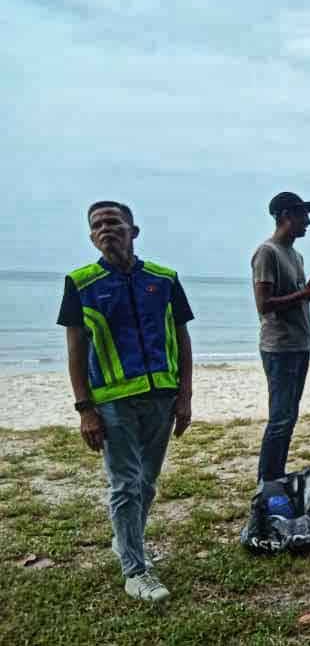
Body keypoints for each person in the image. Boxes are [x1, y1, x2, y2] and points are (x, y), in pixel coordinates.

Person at [58, 201, 194, 603]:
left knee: (146, 484)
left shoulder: (164, 279)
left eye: (113, 222)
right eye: (97, 225)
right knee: (125, 485)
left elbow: (182, 338)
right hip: (113, 404)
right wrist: (85, 409)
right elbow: (76, 350)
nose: (105, 229)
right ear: (91, 237)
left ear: (133, 231)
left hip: (161, 399)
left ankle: (127, 542)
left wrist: (184, 394)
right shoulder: (80, 283)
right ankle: (135, 570)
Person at [251, 192, 310, 482]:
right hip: (279, 347)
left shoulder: (296, 256)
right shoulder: (267, 252)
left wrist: (307, 291)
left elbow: (293, 298)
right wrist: (305, 293)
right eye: (302, 215)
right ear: (286, 216)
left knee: (288, 417)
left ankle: (276, 475)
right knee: (280, 418)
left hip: (299, 344)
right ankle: (268, 481)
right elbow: (264, 304)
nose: (308, 222)